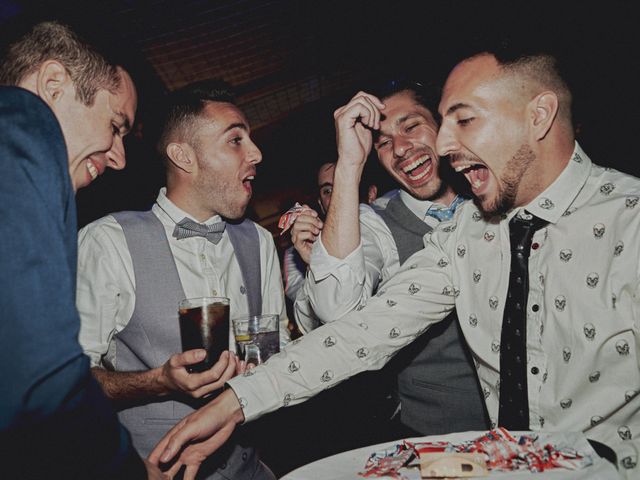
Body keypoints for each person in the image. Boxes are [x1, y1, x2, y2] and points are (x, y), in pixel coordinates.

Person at [150, 50, 640, 478]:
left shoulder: (630, 223)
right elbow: (362, 330)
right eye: (444, 124)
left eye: (464, 120)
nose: (444, 145)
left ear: (538, 116)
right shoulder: (463, 234)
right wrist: (239, 401)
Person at [76, 79, 288, 479]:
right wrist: (157, 382)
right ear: (183, 157)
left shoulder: (258, 241)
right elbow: (70, 383)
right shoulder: (108, 242)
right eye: (235, 140)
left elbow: (275, 354)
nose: (256, 153)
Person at [0, 21, 165, 478]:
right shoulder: (20, 120)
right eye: (115, 126)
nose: (119, 157)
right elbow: (39, 374)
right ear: (53, 85)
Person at [290, 80, 488, 438]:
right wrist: (350, 163)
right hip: (436, 438)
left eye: (411, 127)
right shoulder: (373, 220)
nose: (400, 148)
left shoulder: (491, 191)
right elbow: (336, 311)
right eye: (383, 143)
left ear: (441, 126)